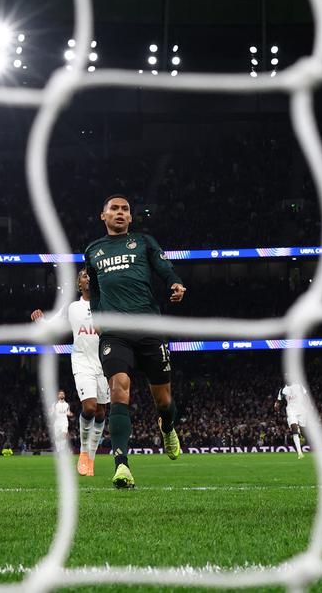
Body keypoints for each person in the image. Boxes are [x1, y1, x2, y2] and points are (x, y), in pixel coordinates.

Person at [85, 194, 186, 489]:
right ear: (103, 216)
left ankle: (167, 427)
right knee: (119, 389)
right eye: (114, 209)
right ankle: (122, 466)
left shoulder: (143, 242)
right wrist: (97, 317)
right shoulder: (93, 250)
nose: (120, 212)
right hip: (115, 333)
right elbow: (96, 290)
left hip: (149, 328)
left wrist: (175, 282)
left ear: (130, 217)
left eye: (125, 209)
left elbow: (163, 268)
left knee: (164, 401)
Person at [31, 267, 109, 478]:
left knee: (102, 412)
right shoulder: (73, 307)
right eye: (84, 276)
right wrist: (41, 321)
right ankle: (84, 451)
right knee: (90, 407)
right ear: (79, 284)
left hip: (105, 362)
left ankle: (91, 458)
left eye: (91, 276)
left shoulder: (107, 304)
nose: (88, 279)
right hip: (82, 360)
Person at [274, 380, 310, 459]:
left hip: (301, 411)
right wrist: (276, 405)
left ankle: (308, 440)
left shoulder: (299, 386)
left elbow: (306, 395)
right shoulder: (283, 390)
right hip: (291, 411)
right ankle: (300, 453)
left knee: (303, 430)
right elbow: (279, 401)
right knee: (294, 428)